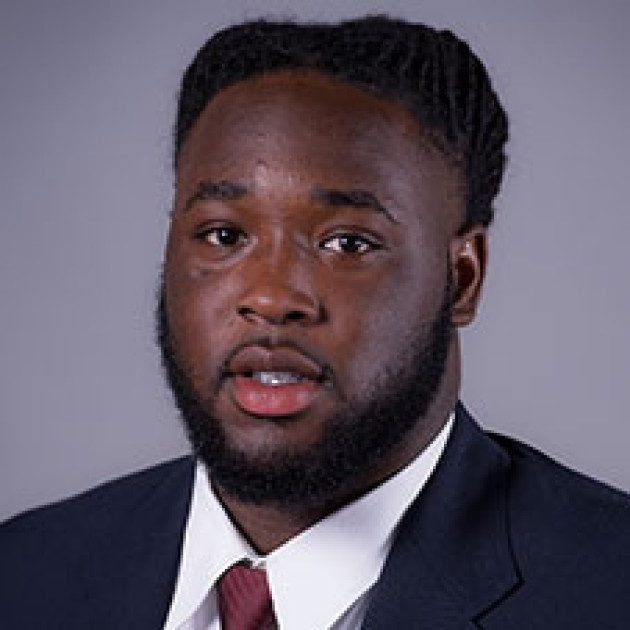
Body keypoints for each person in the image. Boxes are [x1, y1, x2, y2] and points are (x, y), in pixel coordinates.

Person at [2, 14, 629, 630]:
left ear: (462, 278)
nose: (272, 298)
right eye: (224, 235)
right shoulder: (25, 573)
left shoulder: (610, 588)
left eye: (348, 243)